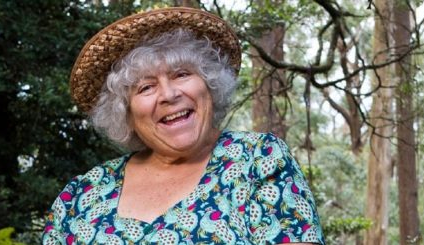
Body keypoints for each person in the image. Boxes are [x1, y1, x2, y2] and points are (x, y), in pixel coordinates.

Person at [42, 7, 324, 245]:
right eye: (146, 87)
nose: (168, 94)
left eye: (181, 74)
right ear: (125, 112)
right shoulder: (81, 195)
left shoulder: (259, 159)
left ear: (210, 85)